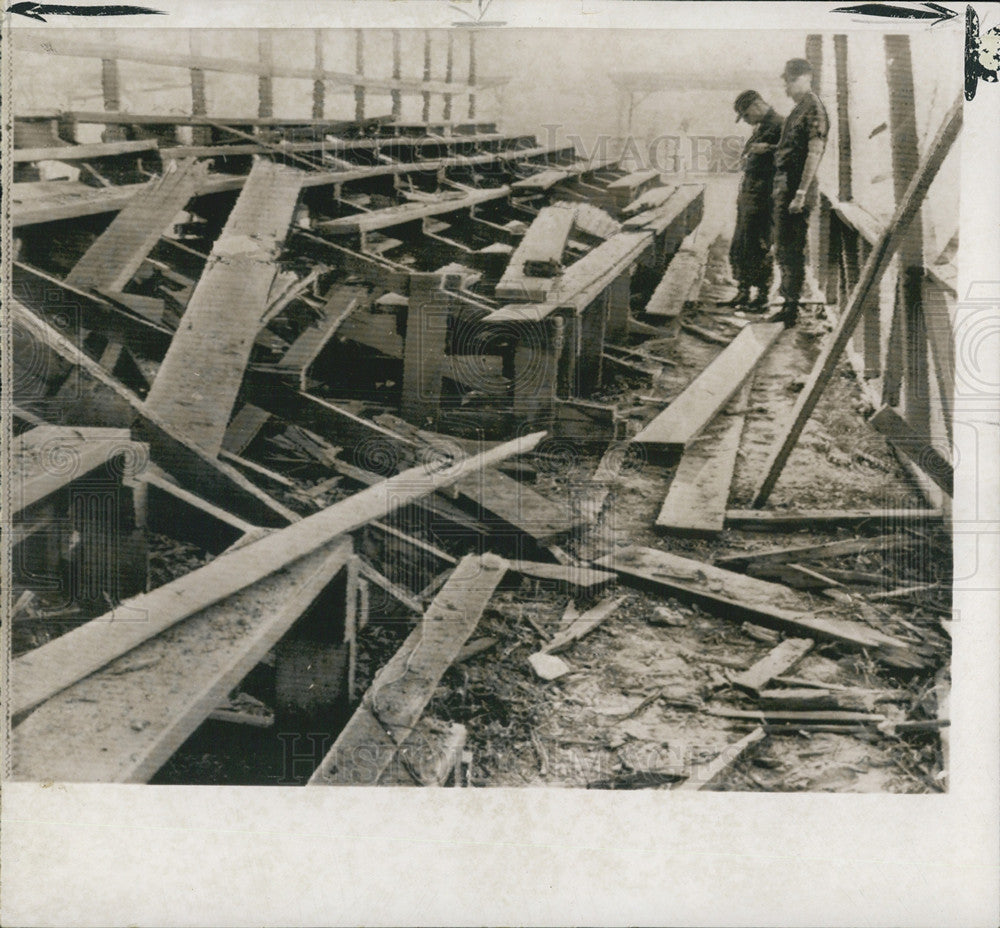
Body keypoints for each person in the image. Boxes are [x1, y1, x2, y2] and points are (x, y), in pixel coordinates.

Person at [770, 57, 829, 327]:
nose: (787, 87)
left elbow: (814, 154)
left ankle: (791, 308)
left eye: (791, 81)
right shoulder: (800, 109)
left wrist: (801, 193)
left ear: (805, 78)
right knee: (783, 247)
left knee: (792, 249)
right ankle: (787, 303)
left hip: (796, 191)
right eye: (787, 81)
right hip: (787, 189)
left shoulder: (813, 109)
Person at [725, 89, 784, 313]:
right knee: (741, 241)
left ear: (757, 106)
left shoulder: (781, 124)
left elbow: (798, 151)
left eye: (746, 115)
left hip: (766, 194)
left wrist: (768, 148)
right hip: (750, 193)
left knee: (760, 243)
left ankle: (761, 295)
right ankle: (743, 290)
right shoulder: (760, 126)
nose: (747, 121)